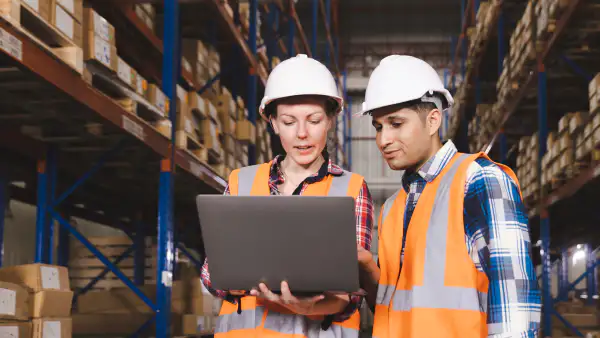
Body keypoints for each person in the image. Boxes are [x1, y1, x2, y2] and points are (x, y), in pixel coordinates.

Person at [355, 55, 541, 337]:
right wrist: (367, 270)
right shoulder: (393, 207)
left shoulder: (477, 180)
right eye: (379, 127)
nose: (383, 140)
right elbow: (396, 307)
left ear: (433, 121)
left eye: (396, 124)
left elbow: (514, 305)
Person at [200, 54, 374, 337]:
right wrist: (240, 281)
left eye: (314, 120)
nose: (302, 134)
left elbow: (353, 292)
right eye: (289, 121)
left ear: (330, 120)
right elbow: (211, 274)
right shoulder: (241, 181)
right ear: (273, 123)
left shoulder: (352, 188)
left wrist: (309, 307)